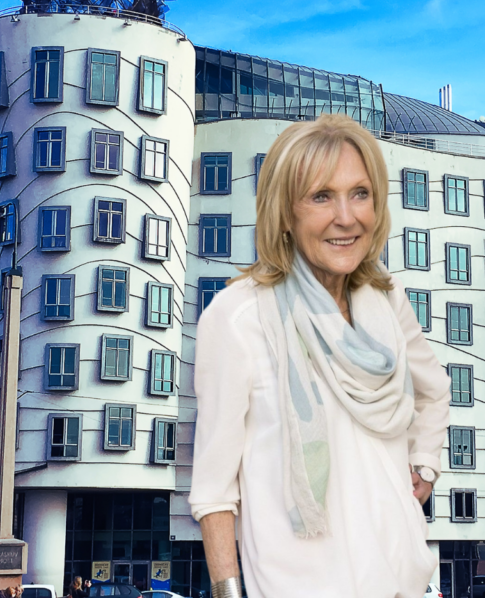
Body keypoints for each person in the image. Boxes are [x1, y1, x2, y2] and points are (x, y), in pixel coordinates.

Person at [189, 114, 451, 598]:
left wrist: (424, 466)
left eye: (360, 193)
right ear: (285, 212)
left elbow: (435, 392)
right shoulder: (238, 316)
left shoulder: (386, 297)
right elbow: (213, 491)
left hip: (402, 581)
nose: (347, 218)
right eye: (321, 196)